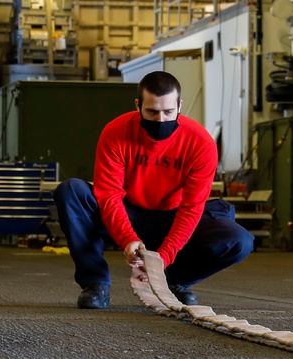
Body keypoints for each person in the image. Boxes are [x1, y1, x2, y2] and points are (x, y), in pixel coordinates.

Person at [54, 70, 254, 309]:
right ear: (138, 105)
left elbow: (191, 208)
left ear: (180, 105)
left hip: (175, 216)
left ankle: (173, 281)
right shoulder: (116, 132)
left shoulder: (200, 142)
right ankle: (95, 284)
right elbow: (109, 195)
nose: (160, 120)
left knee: (239, 240)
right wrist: (128, 238)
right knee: (70, 192)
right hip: (130, 213)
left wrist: (164, 258)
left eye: (168, 112)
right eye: (152, 112)